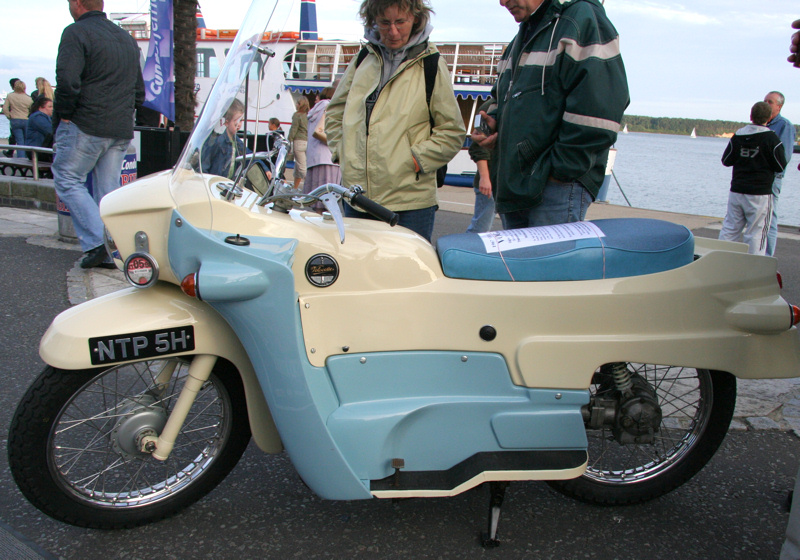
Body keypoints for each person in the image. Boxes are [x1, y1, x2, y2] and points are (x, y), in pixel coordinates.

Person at [471, 0, 629, 230]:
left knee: (545, 264)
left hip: (554, 190)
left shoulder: (581, 20)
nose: (502, 2)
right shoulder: (527, 32)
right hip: (519, 185)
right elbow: (502, 95)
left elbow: (600, 112)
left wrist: (558, 173)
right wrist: (494, 120)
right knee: (524, 265)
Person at [326, 0, 465, 241]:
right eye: (384, 22)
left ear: (416, 19)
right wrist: (343, 152)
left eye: (400, 22)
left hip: (410, 203)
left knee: (408, 277)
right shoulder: (362, 60)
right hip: (357, 198)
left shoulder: (430, 63)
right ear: (373, 21)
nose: (392, 31)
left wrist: (413, 160)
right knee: (358, 274)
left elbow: (452, 131)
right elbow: (335, 113)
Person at [52, 0, 145, 269]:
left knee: (68, 178)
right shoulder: (126, 38)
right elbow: (139, 91)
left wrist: (66, 114)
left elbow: (67, 80)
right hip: (119, 128)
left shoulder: (76, 32)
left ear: (78, 3)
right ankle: (116, 244)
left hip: (86, 123)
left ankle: (98, 244)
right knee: (109, 191)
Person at [717, 102, 786, 255]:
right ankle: (753, 267)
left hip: (737, 190)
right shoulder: (771, 139)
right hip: (760, 193)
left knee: (730, 229)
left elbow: (726, 160)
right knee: (756, 233)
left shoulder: (739, 135)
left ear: (751, 116)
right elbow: (780, 165)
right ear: (768, 118)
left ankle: (721, 261)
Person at [763, 91, 795, 256]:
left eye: (770, 102)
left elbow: (785, 156)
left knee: (770, 218)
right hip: (758, 179)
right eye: (765, 101)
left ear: (779, 106)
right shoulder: (763, 124)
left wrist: (770, 171)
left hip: (772, 178)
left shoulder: (784, 125)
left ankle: (768, 256)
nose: (766, 104)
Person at [304, 87, 341, 198]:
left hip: (314, 159)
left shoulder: (314, 110)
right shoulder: (329, 107)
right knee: (329, 198)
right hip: (328, 158)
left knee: (316, 198)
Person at [202, 98, 246, 179]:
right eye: (237, 121)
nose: (239, 125)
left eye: (241, 120)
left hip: (228, 185)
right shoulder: (216, 140)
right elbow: (204, 165)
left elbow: (248, 155)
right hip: (215, 184)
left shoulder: (237, 141)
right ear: (226, 122)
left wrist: (265, 169)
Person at [466, 129, 495, 233]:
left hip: (508, 182)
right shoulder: (490, 114)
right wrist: (485, 177)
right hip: (492, 181)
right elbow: (478, 147)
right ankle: (467, 247)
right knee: (479, 229)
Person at [2, 80, 32, 155]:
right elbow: (31, 109)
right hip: (26, 119)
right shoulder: (29, 98)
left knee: (19, 140)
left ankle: (21, 158)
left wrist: (10, 116)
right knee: (26, 141)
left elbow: (5, 109)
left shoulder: (10, 96)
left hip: (15, 119)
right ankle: (26, 158)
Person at [288, 97, 309, 189]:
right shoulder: (308, 115)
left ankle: (310, 185)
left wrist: (289, 140)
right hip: (307, 141)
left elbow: (293, 129)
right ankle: (295, 187)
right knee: (298, 167)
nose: (296, 105)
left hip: (299, 141)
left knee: (301, 167)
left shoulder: (297, 115)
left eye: (298, 103)